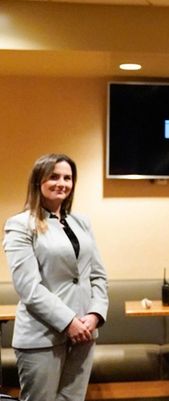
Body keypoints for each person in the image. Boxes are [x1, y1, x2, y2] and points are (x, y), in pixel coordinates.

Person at [3, 153, 109, 401]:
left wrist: (95, 315)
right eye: (54, 177)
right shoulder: (20, 224)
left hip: (84, 333)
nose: (62, 183)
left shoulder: (81, 222)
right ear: (38, 181)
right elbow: (29, 288)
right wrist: (69, 322)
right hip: (42, 336)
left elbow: (98, 276)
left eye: (68, 178)